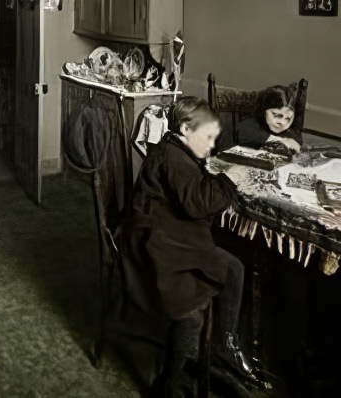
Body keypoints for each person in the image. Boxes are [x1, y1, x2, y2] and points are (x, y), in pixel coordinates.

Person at [120, 97, 254, 395]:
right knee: (208, 292)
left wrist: (213, 175)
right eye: (207, 137)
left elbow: (192, 192)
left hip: (167, 234)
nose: (212, 145)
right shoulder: (173, 157)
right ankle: (212, 352)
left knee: (231, 267)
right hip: (153, 245)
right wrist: (229, 180)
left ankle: (220, 345)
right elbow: (197, 203)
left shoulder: (173, 149)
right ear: (184, 129)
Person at [234, 84, 303, 153]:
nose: (283, 123)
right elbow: (243, 133)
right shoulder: (250, 125)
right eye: (276, 115)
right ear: (263, 111)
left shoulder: (290, 132)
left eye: (288, 118)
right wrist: (278, 140)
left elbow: (297, 140)